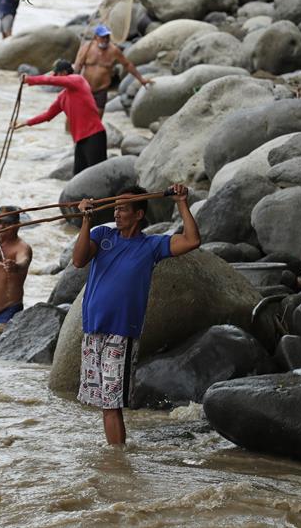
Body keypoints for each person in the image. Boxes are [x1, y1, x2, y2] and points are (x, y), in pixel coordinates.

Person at [72, 184, 200, 445]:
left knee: (112, 403)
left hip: (122, 333)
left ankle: (119, 460)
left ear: (139, 215)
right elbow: (78, 260)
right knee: (103, 403)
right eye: (115, 208)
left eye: (123, 209)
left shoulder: (150, 245)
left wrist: (182, 203)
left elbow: (192, 240)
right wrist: (86, 219)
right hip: (93, 328)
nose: (117, 213)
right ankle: (116, 458)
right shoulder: (102, 235)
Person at [15, 59, 107, 175]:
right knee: (78, 177)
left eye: (57, 74)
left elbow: (51, 80)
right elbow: (47, 115)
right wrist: (25, 123)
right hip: (80, 140)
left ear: (63, 73)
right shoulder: (62, 97)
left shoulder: (78, 80)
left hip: (94, 135)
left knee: (97, 174)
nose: (55, 77)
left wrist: (30, 79)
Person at [74, 24, 152, 116]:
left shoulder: (114, 51)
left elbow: (127, 65)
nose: (106, 40)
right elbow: (78, 66)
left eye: (107, 37)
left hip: (101, 90)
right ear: (96, 37)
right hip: (85, 88)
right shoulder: (87, 48)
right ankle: (68, 131)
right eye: (103, 37)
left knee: (97, 119)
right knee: (75, 115)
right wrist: (73, 84)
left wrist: (141, 79)